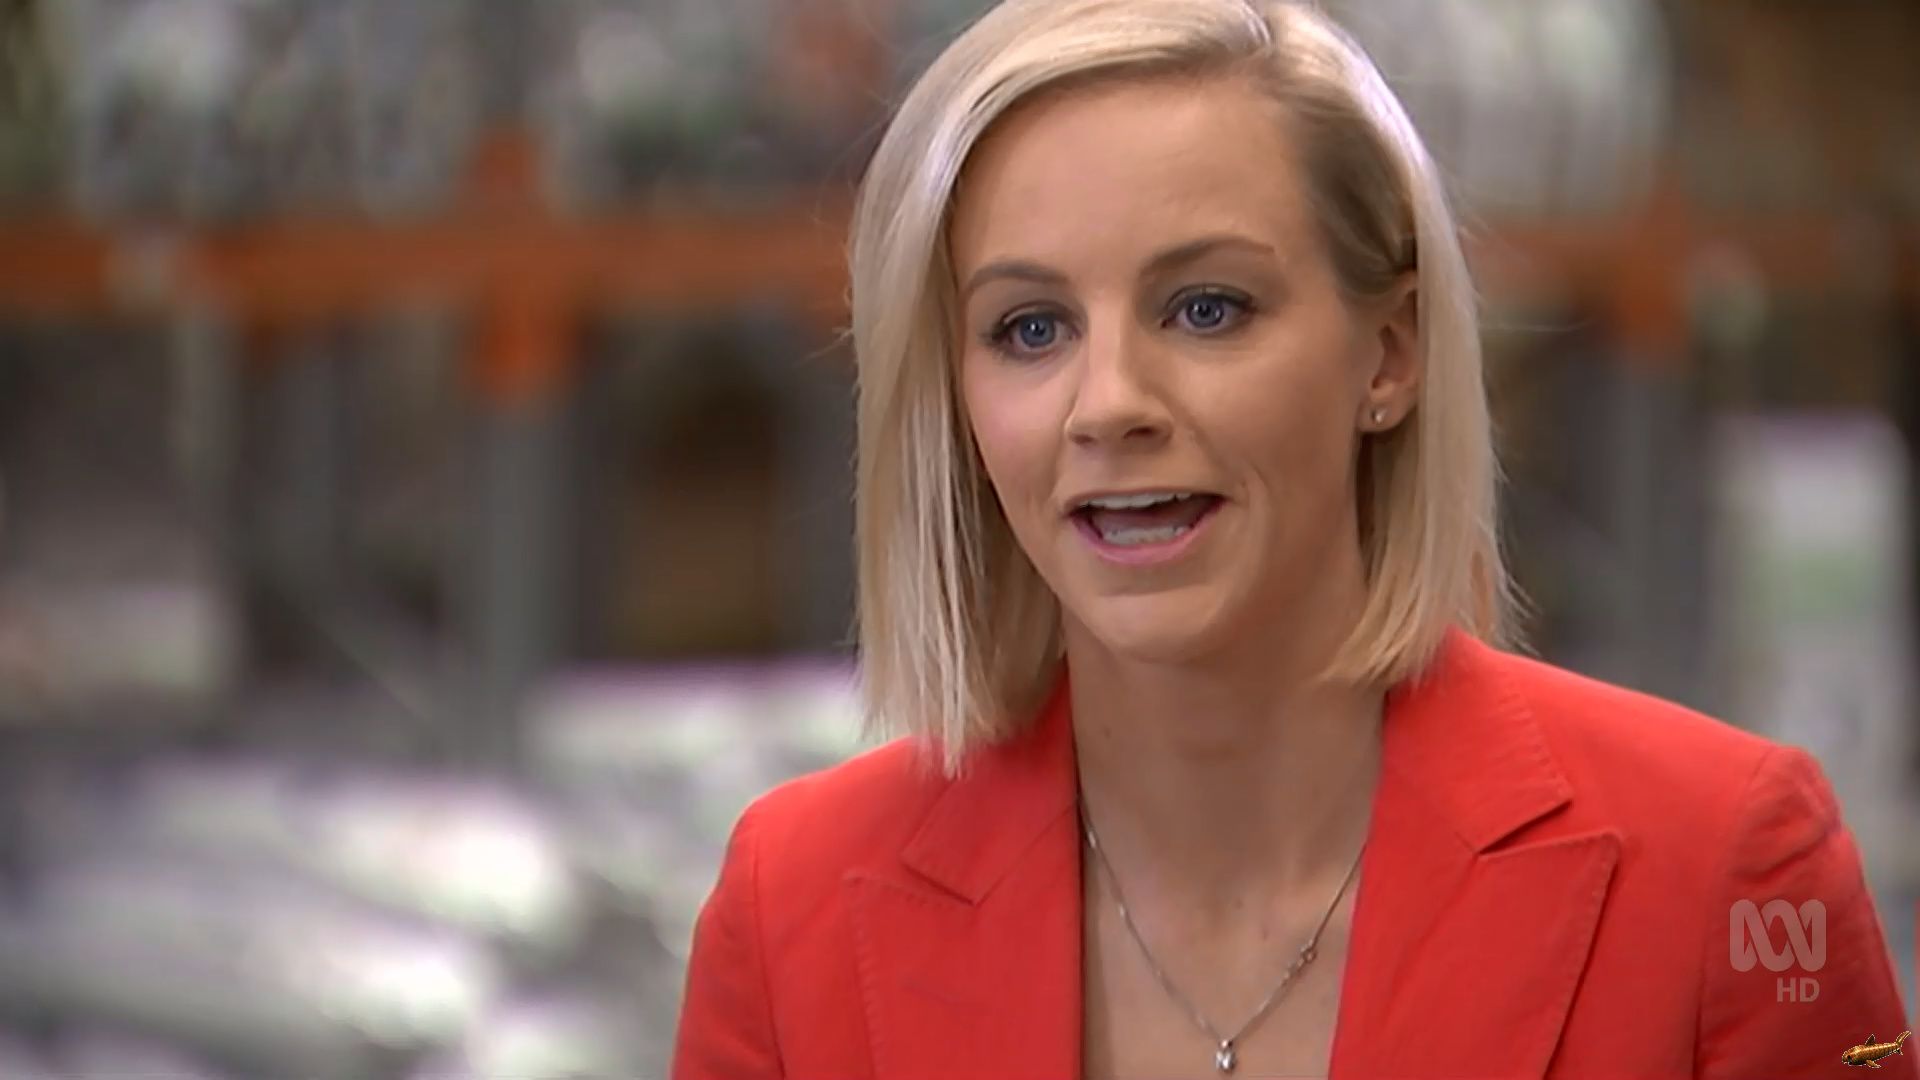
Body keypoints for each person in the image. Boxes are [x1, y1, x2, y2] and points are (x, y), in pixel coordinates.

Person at [671, 1, 1916, 1077]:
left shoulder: (1730, 868)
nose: (1110, 404)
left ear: (1390, 355)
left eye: (1207, 308)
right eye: (1030, 329)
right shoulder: (789, 909)